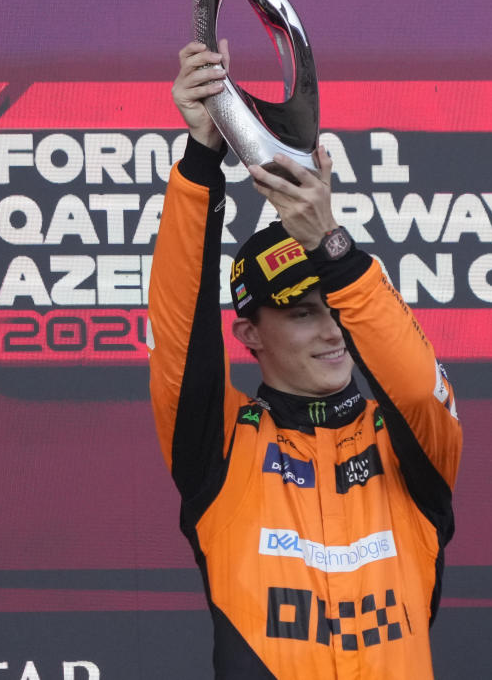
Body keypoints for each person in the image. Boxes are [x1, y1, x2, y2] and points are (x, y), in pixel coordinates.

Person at [148, 41, 463, 679]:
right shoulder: (221, 449)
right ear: (250, 334)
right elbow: (180, 332)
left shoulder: (409, 444)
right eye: (301, 313)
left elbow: (416, 386)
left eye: (335, 307)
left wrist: (331, 248)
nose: (332, 332)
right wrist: (202, 161)